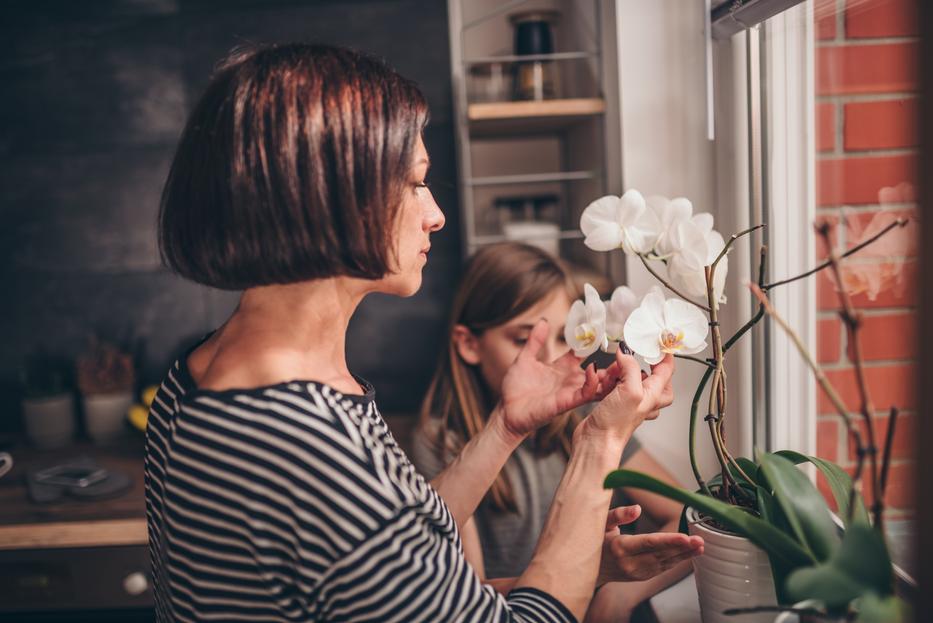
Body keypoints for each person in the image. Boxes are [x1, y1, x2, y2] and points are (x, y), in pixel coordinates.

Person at [146, 42, 691, 622]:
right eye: (414, 184)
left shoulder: (202, 376)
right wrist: (598, 444)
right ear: (335, 199)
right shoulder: (307, 444)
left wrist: (504, 429)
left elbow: (396, 552)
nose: (436, 213)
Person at [412, 242, 700, 622]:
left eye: (565, 337)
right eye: (523, 340)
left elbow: (689, 516)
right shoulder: (444, 441)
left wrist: (617, 594)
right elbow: (470, 595)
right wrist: (596, 573)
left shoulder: (585, 415)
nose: (550, 357)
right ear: (469, 344)